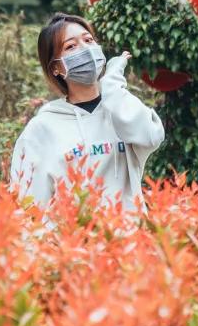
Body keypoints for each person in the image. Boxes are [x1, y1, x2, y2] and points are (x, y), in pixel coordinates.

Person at [10, 12, 165, 213]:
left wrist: (112, 84)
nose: (86, 49)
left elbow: (151, 137)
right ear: (56, 67)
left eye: (89, 40)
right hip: (72, 232)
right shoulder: (41, 129)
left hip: (128, 232)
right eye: (71, 46)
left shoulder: (121, 110)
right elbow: (28, 203)